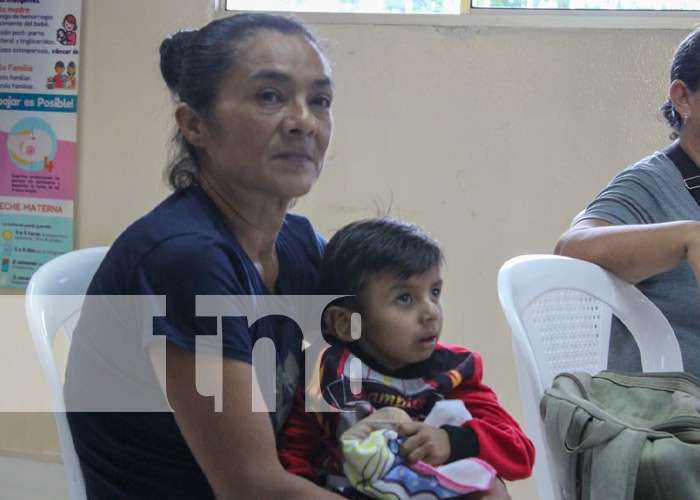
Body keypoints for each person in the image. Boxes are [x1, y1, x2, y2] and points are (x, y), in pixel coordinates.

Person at [63, 13, 346, 499]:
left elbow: (380, 363)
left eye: (319, 100)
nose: (303, 121)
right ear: (195, 124)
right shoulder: (185, 260)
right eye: (270, 96)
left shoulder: (298, 243)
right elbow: (251, 489)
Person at [278, 218, 535, 499]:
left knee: (492, 492)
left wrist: (452, 440)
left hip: (429, 490)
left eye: (434, 292)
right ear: (345, 323)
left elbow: (519, 451)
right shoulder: (327, 374)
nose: (431, 312)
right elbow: (292, 458)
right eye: (404, 298)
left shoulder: (452, 374)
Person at [555, 28, 700, 378]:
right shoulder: (651, 183)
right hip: (671, 420)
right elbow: (569, 250)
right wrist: (688, 237)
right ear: (683, 98)